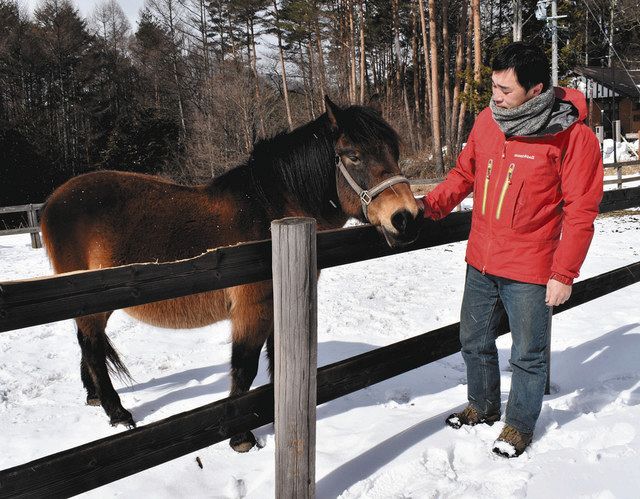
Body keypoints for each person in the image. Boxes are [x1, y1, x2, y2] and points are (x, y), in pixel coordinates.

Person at [422, 42, 603, 457]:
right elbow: (463, 173)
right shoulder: (488, 120)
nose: (496, 97)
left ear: (536, 88)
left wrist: (563, 274)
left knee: (527, 354)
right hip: (481, 260)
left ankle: (519, 425)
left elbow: (581, 211)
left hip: (532, 267)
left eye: (505, 90)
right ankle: (482, 406)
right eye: (493, 86)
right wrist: (429, 207)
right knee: (473, 340)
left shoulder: (573, 137)